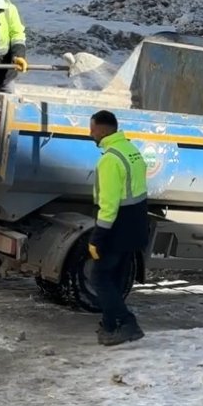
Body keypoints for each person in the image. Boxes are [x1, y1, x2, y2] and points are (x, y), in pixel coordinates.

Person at [86, 110, 150, 346]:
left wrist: (98, 235)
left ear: (102, 130)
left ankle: (128, 323)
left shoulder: (110, 160)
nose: (90, 133)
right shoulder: (131, 150)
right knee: (114, 276)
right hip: (135, 224)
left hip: (117, 228)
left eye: (92, 129)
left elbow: (109, 204)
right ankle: (111, 326)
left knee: (100, 278)